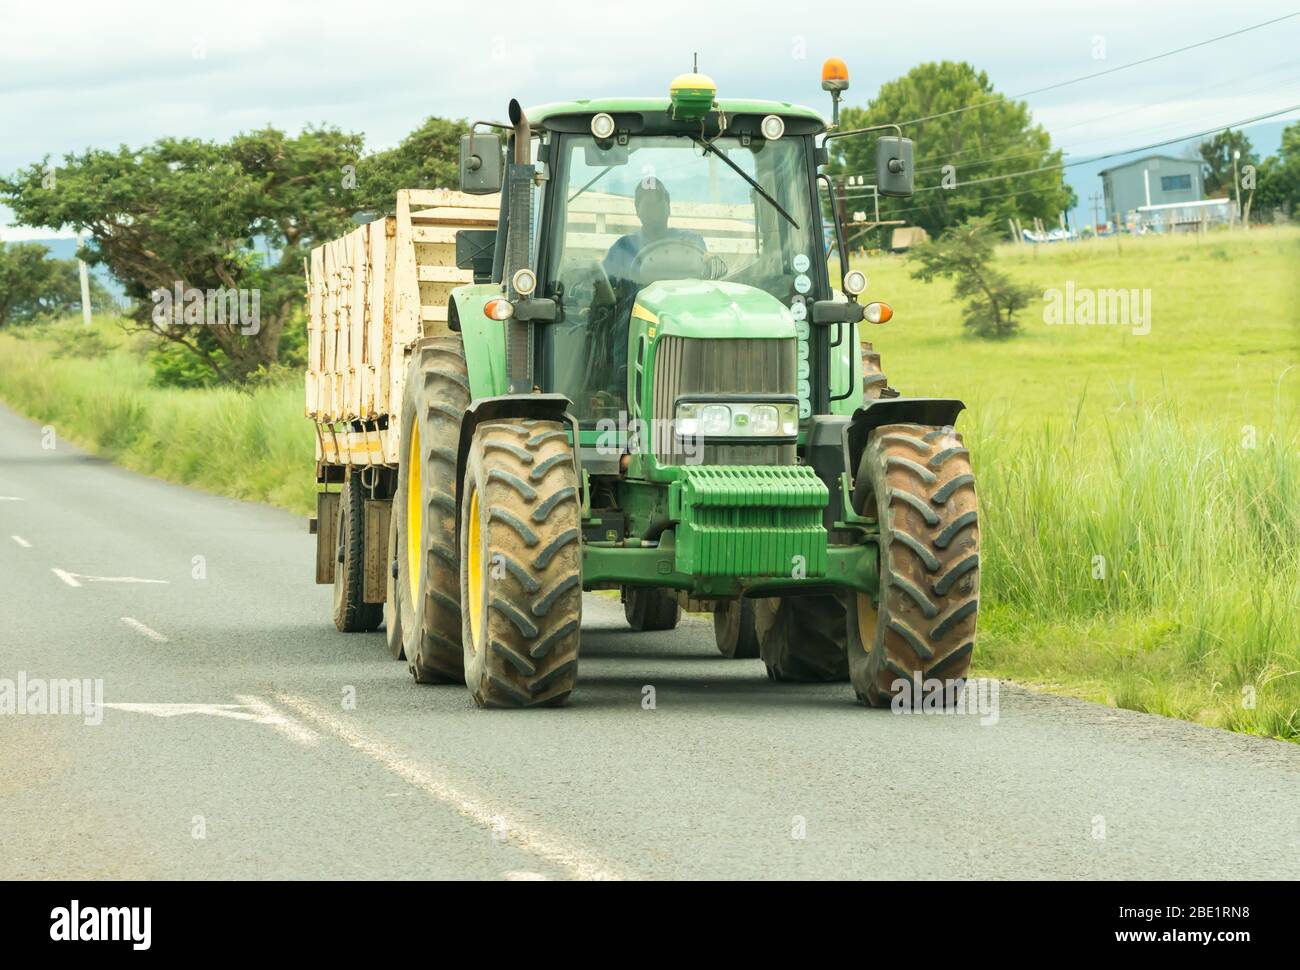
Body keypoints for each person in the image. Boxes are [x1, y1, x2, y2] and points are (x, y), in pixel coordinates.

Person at [602, 177, 706, 282]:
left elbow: (705, 274)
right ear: (637, 210)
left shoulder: (691, 242)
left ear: (669, 208)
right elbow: (605, 286)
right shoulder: (622, 248)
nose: (654, 208)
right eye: (648, 204)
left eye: (658, 201)